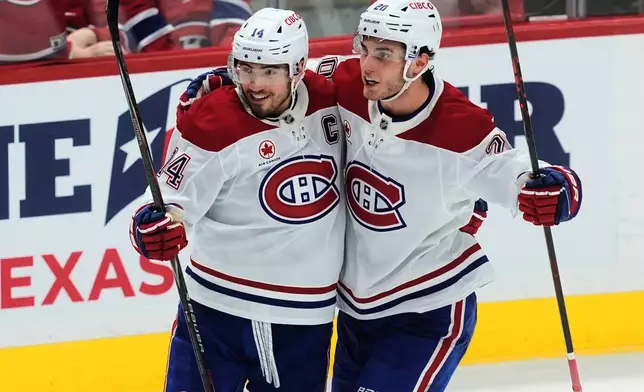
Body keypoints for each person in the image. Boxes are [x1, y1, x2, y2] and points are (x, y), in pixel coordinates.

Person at [179, 1, 582, 390]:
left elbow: (517, 175)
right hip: (358, 312)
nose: (367, 64)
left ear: (420, 62)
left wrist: (554, 188)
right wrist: (231, 79)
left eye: (384, 55)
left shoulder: (462, 129)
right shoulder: (349, 82)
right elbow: (293, 74)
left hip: (426, 310)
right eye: (364, 48)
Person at [129, 8, 345, 392]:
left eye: (269, 72)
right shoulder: (212, 119)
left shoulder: (335, 98)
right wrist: (152, 227)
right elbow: (171, 203)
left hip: (301, 323)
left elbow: (401, 105)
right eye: (245, 69)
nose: (255, 84)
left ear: (297, 68)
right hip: (215, 313)